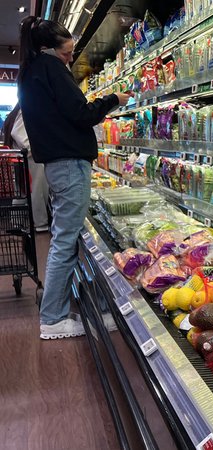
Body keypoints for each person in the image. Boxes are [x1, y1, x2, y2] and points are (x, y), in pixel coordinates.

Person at [18, 16, 131, 339]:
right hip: (68, 163)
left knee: (63, 237)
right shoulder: (51, 68)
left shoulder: (33, 69)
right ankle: (53, 318)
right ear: (49, 49)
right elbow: (81, 114)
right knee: (65, 240)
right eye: (67, 53)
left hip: (58, 163)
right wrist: (112, 100)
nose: (70, 58)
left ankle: (58, 308)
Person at [3, 104, 50, 232]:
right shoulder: (27, 109)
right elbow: (20, 136)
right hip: (31, 158)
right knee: (37, 190)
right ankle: (40, 224)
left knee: (23, 191)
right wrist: (37, 149)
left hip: (23, 158)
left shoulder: (19, 110)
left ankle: (17, 222)